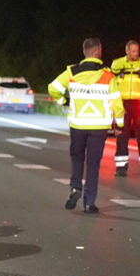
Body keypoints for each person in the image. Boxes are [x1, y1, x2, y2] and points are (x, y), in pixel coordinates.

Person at [48, 38, 125, 214]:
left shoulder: (71, 72)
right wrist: (119, 125)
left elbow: (53, 88)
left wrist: (64, 101)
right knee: (93, 164)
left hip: (78, 125)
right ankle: (89, 203)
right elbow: (117, 104)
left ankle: (75, 187)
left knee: (77, 159)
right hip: (99, 127)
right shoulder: (107, 75)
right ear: (98, 52)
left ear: (85, 52)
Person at [110, 40, 140, 176]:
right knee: (122, 136)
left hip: (138, 104)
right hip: (123, 105)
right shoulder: (117, 64)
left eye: (137, 51)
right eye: (133, 51)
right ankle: (121, 168)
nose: (136, 53)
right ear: (127, 51)